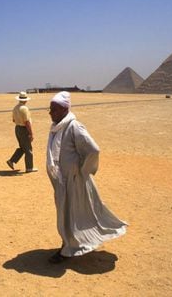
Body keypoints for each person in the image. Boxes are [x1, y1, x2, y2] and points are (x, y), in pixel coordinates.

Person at [46, 91, 127, 264]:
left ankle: (66, 249)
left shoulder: (74, 126)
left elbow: (93, 150)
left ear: (64, 109)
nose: (50, 113)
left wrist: (82, 171)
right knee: (67, 214)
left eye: (53, 109)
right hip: (63, 182)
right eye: (50, 109)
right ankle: (70, 244)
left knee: (68, 215)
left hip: (74, 182)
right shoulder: (57, 127)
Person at [6, 91, 38, 173]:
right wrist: (31, 133)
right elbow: (27, 122)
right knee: (28, 149)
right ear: (26, 100)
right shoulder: (24, 108)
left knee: (23, 148)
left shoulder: (15, 107)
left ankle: (11, 161)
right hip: (24, 129)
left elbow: (13, 120)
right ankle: (29, 168)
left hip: (17, 128)